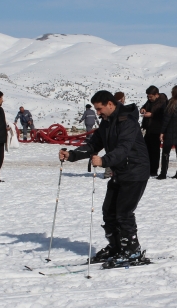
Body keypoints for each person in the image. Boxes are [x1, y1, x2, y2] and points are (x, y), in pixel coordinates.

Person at [59, 90, 150, 267]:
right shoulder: (107, 123)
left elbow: (123, 149)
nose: (98, 113)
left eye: (99, 109)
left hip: (135, 172)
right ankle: (116, 246)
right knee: (109, 211)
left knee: (124, 212)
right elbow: (94, 144)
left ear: (110, 104)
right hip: (120, 171)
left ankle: (132, 250)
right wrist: (71, 155)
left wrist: (104, 161)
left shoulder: (127, 121)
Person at [140, 85, 167, 176]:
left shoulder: (163, 102)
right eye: (148, 97)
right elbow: (145, 106)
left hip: (157, 130)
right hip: (148, 129)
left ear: (156, 95)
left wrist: (152, 115)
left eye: (150, 97)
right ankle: (146, 168)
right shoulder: (149, 101)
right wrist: (143, 109)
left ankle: (153, 170)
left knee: (154, 151)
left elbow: (163, 115)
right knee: (146, 150)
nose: (149, 98)